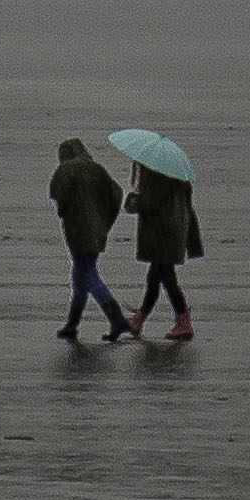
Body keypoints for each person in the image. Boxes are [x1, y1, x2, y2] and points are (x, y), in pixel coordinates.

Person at [116, 130, 201, 341]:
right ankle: (140, 320)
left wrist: (133, 198)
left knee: (165, 277)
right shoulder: (177, 177)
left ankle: (182, 322)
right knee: (156, 277)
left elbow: (148, 203)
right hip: (174, 232)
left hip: (162, 233)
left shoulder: (155, 175)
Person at [49, 136, 134, 341]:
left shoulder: (65, 170)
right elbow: (117, 193)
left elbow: (56, 194)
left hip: (78, 230)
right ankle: (72, 323)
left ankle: (116, 318)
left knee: (87, 274)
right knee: (80, 276)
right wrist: (106, 220)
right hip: (97, 230)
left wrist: (66, 209)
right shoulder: (97, 169)